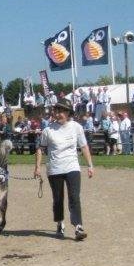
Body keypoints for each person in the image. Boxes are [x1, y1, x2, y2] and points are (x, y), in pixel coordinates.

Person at [34, 100, 94, 241]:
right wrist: (37, 167)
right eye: (56, 111)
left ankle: (78, 226)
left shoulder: (76, 127)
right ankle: (60, 222)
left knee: (74, 197)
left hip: (72, 167)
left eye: (61, 111)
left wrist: (90, 165)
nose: (57, 114)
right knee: (58, 198)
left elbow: (84, 146)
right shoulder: (48, 130)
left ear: (68, 113)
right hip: (54, 169)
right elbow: (40, 148)